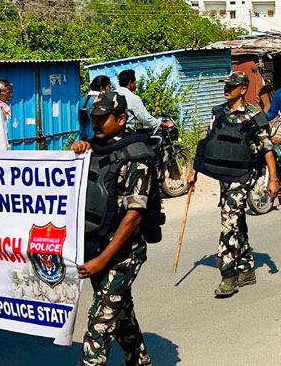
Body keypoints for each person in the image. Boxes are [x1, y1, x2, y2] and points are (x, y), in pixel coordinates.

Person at [69, 91, 157, 366]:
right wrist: (76, 152)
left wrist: (102, 261)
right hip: (95, 247)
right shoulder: (93, 149)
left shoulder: (136, 157)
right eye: (93, 118)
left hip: (122, 255)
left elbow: (133, 216)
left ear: (120, 119)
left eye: (102, 118)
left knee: (99, 327)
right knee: (121, 318)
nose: (96, 124)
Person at [188, 71, 279, 298]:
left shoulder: (254, 116)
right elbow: (206, 142)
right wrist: (194, 171)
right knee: (237, 219)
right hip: (224, 173)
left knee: (228, 221)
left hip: (244, 175)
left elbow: (267, 149)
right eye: (225, 85)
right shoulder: (218, 113)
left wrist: (273, 179)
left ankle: (228, 275)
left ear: (243, 89)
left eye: (232, 85)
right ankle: (247, 268)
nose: (226, 88)